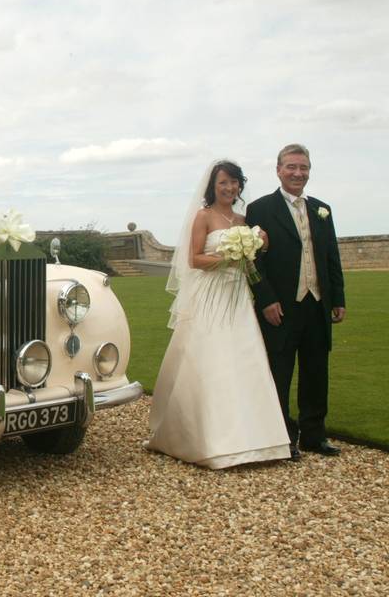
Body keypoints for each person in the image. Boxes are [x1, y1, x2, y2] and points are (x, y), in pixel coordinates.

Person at [147, 160, 290, 469]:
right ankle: (211, 440)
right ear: (213, 186)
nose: (229, 188)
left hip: (238, 297)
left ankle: (260, 440)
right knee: (214, 361)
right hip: (211, 297)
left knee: (246, 360)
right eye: (223, 182)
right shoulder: (204, 217)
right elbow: (195, 259)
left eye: (234, 182)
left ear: (240, 185)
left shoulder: (243, 220)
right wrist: (226, 256)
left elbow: (251, 265)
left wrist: (257, 247)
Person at [246, 144, 346, 459]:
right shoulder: (261, 209)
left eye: (303, 167)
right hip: (281, 307)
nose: (297, 173)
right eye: (291, 166)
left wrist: (337, 298)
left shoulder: (321, 209)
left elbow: (331, 256)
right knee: (280, 372)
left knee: (317, 372)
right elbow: (252, 261)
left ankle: (314, 436)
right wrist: (266, 300)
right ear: (278, 170)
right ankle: (282, 438)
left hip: (317, 303)